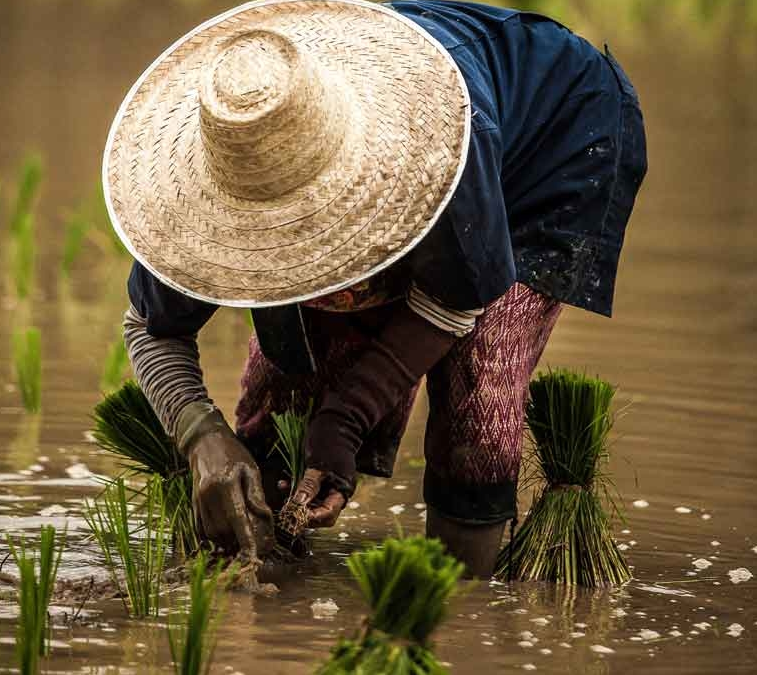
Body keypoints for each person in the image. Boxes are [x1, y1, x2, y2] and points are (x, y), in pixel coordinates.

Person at [103, 0, 647, 577]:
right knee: (289, 388)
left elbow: (460, 294)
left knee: (479, 394)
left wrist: (348, 417)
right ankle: (271, 561)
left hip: (552, 142)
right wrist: (201, 436)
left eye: (307, 230)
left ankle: (456, 603)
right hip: (386, 137)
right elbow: (149, 325)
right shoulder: (206, 187)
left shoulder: (435, 152)